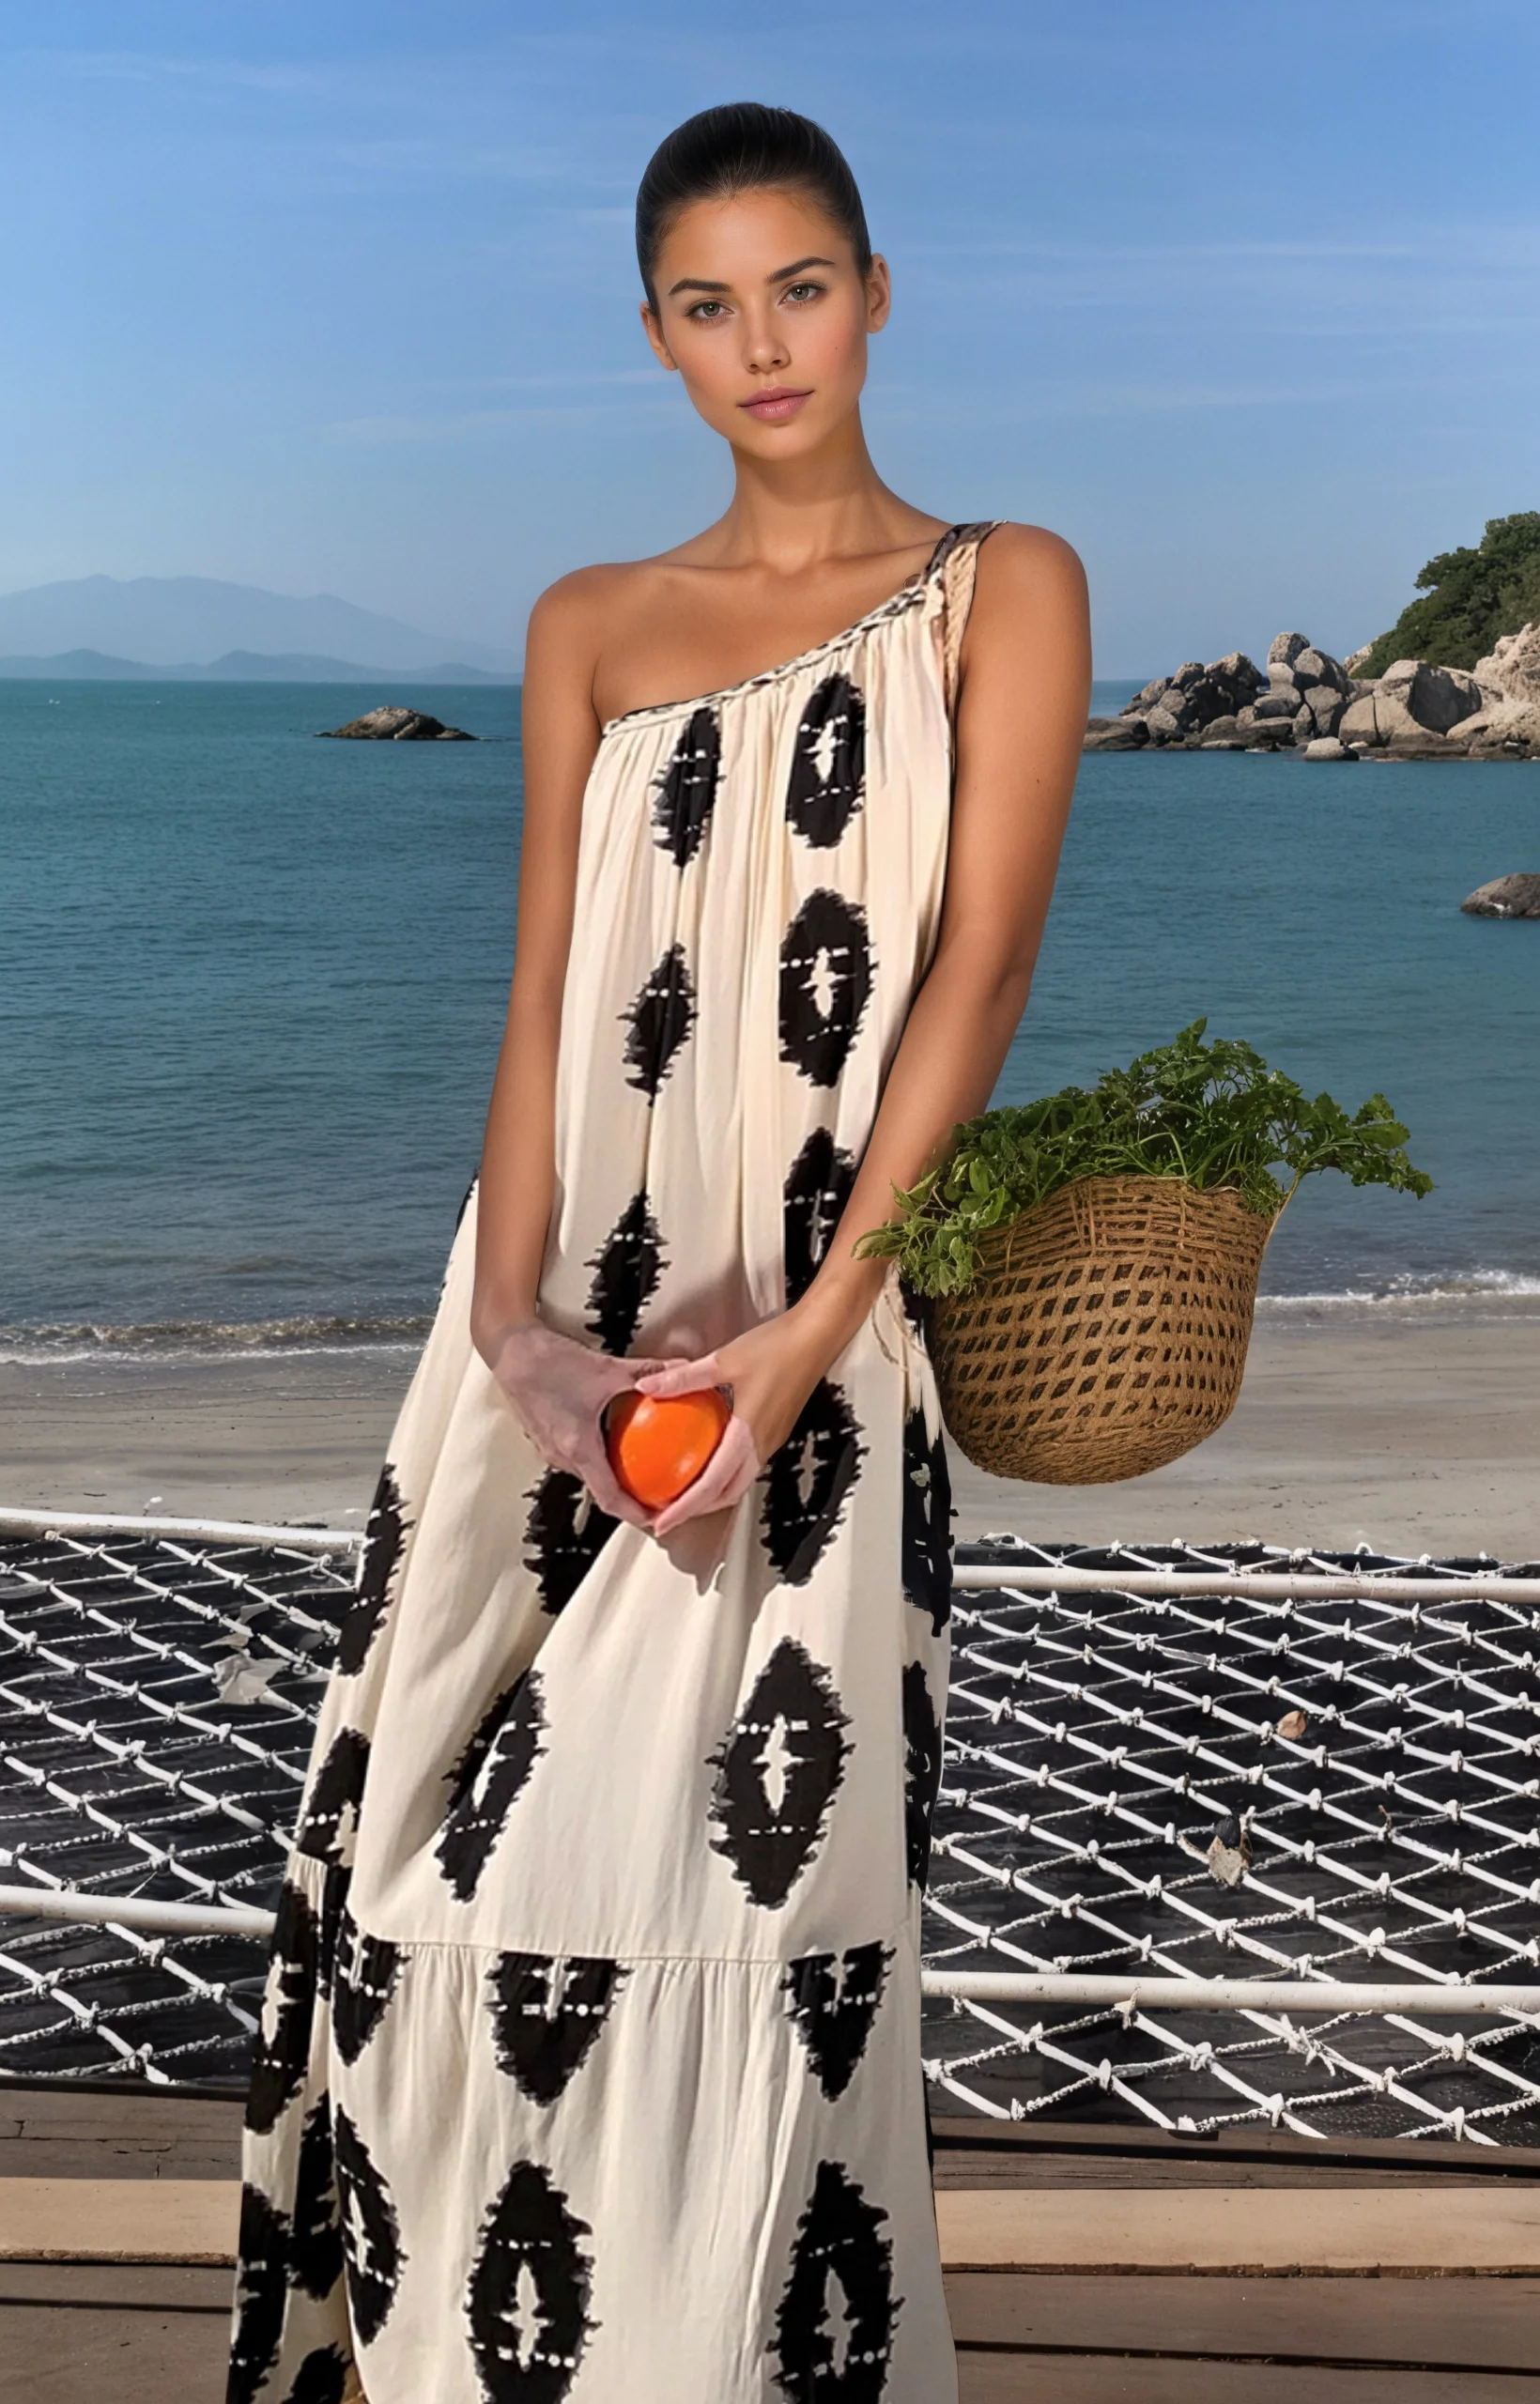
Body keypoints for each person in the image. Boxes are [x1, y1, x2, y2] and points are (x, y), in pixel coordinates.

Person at [231, 100, 1087, 2404]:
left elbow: (980, 972)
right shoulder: (586, 621)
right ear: (656, 340)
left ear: (875, 295)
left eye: (800, 287)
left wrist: (809, 1336)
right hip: (542, 1356)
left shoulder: (1004, 584)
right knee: (430, 1908)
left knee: (758, 1934)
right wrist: (515, 1339)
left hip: (819, 1342)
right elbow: (537, 999)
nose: (763, 342)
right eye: (709, 306)